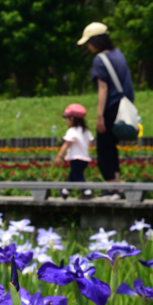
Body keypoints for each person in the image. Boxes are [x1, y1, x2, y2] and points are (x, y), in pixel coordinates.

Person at [78, 22, 135, 200]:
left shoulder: (99, 60)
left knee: (104, 149)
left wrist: (100, 115)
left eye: (89, 42)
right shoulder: (119, 55)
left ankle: (111, 188)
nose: (88, 46)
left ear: (96, 41)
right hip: (123, 107)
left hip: (109, 108)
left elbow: (103, 88)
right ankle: (116, 185)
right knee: (112, 147)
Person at [54, 103, 94, 199]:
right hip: (84, 158)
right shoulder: (86, 131)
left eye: (67, 119)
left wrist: (59, 156)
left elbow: (66, 144)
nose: (66, 122)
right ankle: (65, 191)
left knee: (77, 176)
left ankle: (87, 192)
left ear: (72, 118)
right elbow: (90, 143)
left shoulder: (72, 131)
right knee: (73, 175)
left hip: (76, 158)